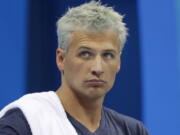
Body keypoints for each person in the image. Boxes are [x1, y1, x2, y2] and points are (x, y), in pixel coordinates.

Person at [0, 1, 149, 135]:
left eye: (108, 55)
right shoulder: (24, 122)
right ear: (61, 59)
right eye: (85, 54)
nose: (97, 68)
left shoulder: (132, 130)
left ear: (119, 63)